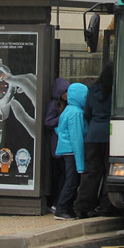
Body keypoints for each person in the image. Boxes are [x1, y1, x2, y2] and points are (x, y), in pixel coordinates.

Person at [75, 62, 116, 218]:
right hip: (110, 134)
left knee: (90, 172)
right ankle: (106, 206)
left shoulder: (93, 90)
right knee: (108, 172)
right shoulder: (116, 91)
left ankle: (82, 206)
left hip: (93, 135)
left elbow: (87, 113)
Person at [53, 82, 88, 220]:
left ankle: (64, 208)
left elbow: (60, 130)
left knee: (69, 180)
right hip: (73, 152)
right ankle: (62, 208)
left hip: (66, 150)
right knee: (72, 181)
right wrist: (81, 165)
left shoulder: (67, 110)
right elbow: (76, 138)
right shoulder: (77, 113)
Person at [44, 77, 70, 212]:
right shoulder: (54, 105)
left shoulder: (68, 104)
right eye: (64, 92)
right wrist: (62, 118)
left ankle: (56, 200)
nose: (66, 95)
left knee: (63, 175)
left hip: (62, 143)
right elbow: (48, 122)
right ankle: (55, 201)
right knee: (59, 176)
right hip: (57, 144)